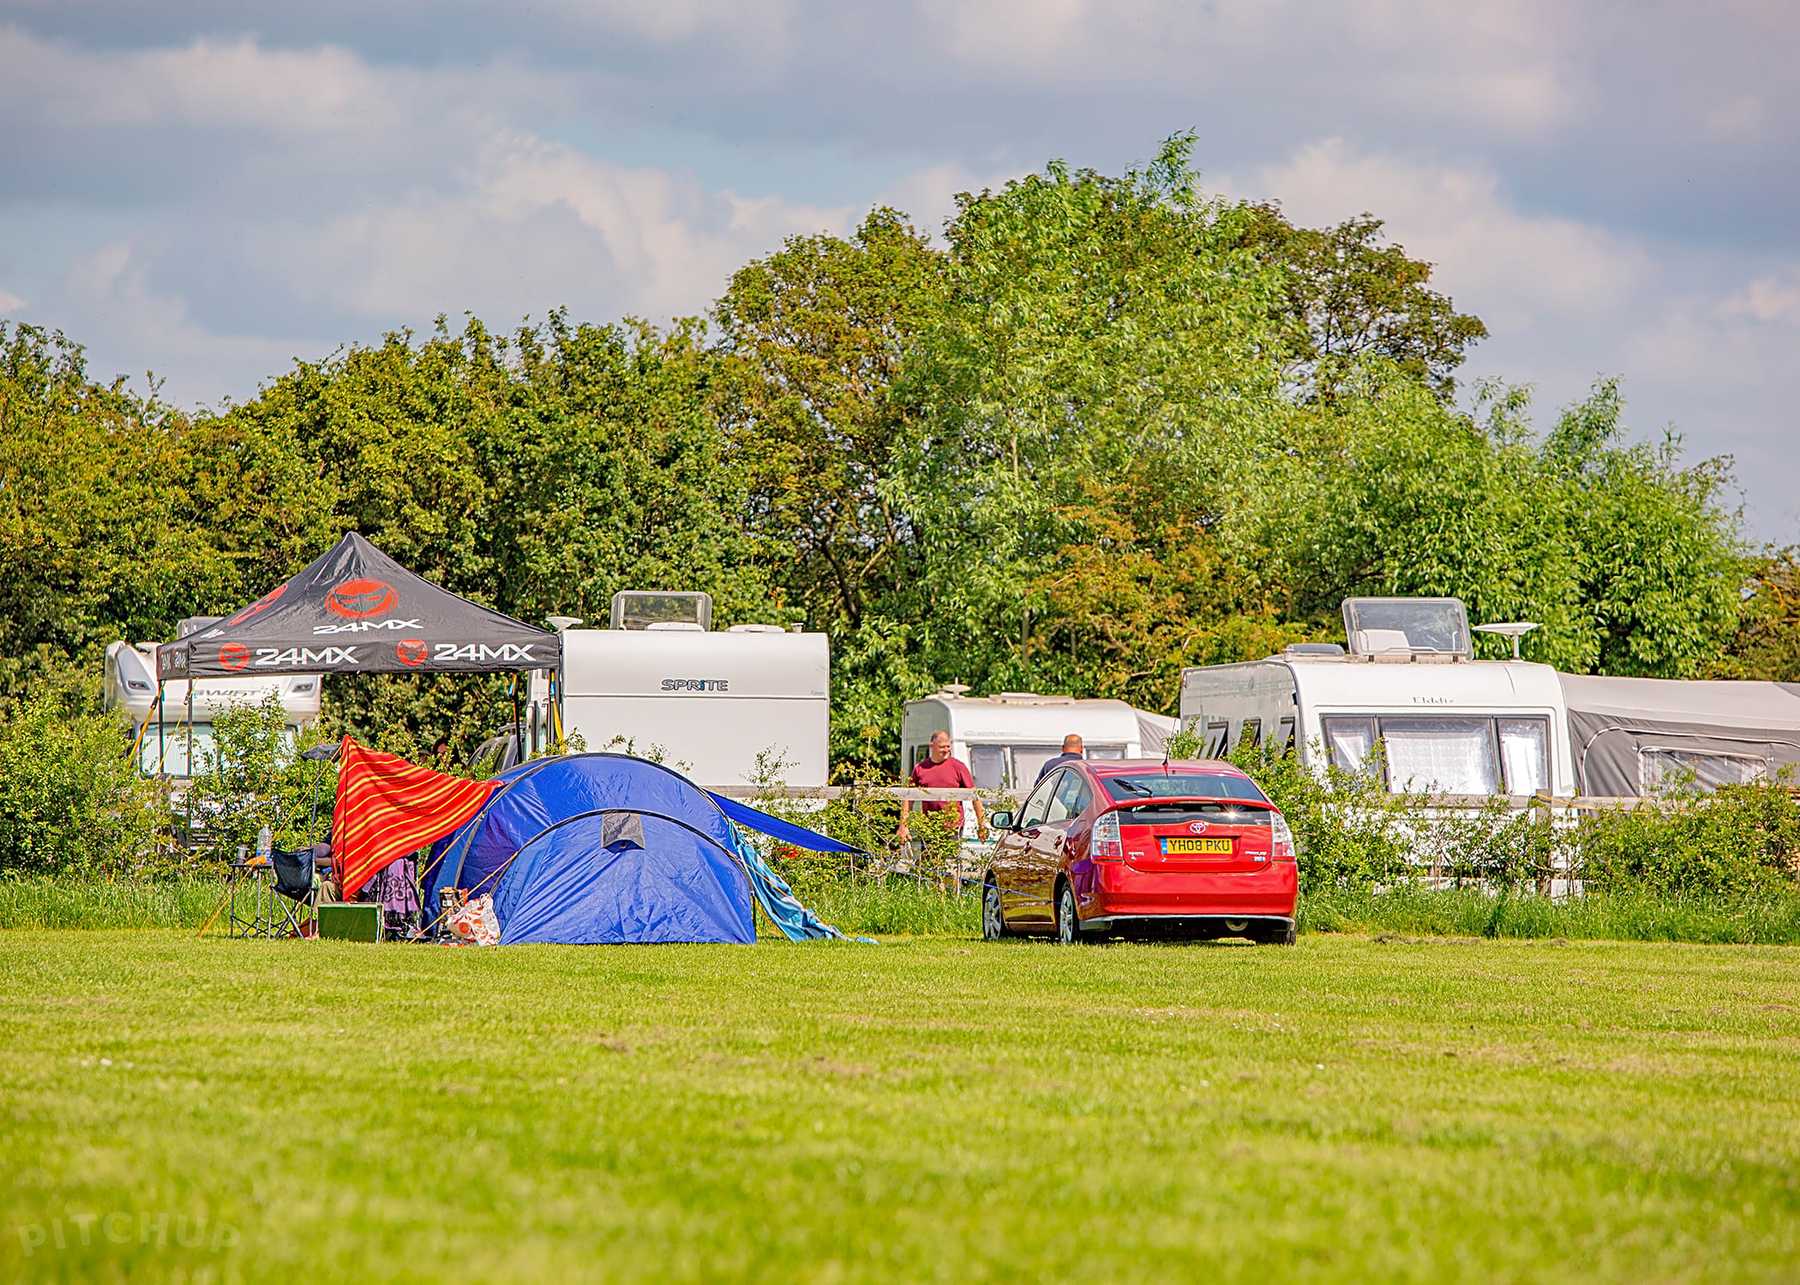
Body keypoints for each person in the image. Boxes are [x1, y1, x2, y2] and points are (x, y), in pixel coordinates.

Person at [898, 730, 988, 846]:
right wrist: (903, 826)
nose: (946, 750)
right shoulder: (920, 769)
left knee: (950, 862)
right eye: (942, 747)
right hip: (928, 827)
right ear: (932, 746)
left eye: (948, 746)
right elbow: (908, 798)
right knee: (928, 862)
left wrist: (982, 825)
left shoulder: (958, 767)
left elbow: (975, 796)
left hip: (953, 827)